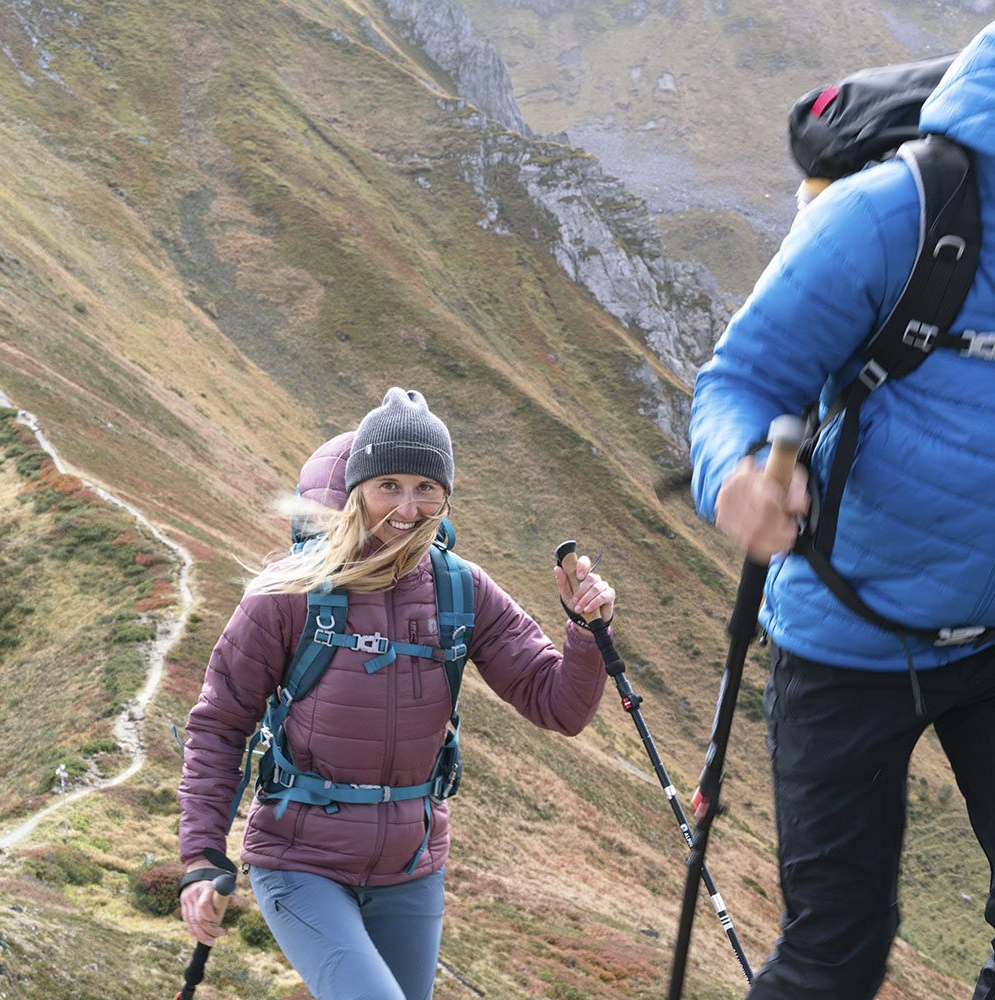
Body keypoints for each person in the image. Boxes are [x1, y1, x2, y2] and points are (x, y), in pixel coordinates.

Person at [689, 23, 995, 1000]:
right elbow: (738, 379)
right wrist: (736, 475)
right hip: (843, 642)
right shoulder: (892, 215)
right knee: (834, 957)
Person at [176, 387, 615, 1000]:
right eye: (389, 486)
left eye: (425, 488)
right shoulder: (289, 592)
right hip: (299, 861)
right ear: (358, 491)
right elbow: (220, 723)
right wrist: (201, 856)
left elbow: (557, 705)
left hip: (412, 870)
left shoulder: (463, 590)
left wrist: (586, 630)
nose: (407, 509)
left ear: (445, 495)